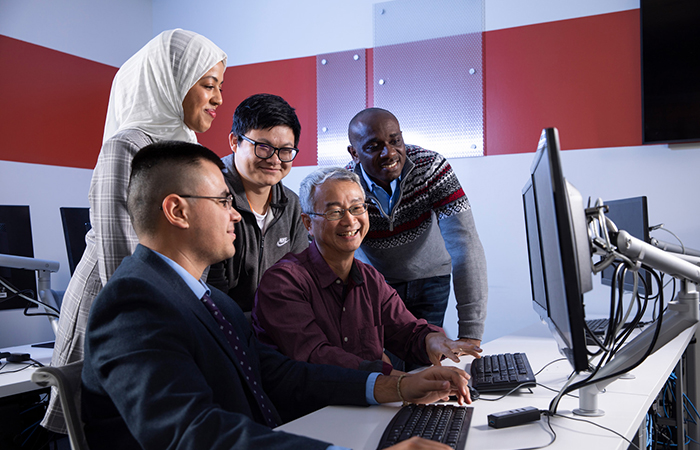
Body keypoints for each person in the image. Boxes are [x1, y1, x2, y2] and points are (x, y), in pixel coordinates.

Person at [82, 140, 471, 450]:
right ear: (177, 211)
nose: (235, 214)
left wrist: (398, 387)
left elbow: (283, 376)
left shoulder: (213, 303)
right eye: (222, 202)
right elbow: (191, 433)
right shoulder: (134, 304)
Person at [43, 29, 227, 433]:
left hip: (164, 318)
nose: (218, 99)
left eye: (220, 87)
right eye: (208, 85)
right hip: (115, 315)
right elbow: (121, 268)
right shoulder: (127, 146)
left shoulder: (188, 150)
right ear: (169, 81)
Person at [253, 167, 481, 376]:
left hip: (368, 406)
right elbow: (316, 357)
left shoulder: (370, 279)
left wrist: (435, 342)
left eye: (357, 208)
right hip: (312, 414)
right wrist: (398, 381)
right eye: (334, 212)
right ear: (307, 223)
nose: (350, 220)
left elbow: (408, 332)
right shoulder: (283, 283)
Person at [346, 108, 488, 353]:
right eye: (373, 146)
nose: (389, 153)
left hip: (431, 278)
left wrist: (471, 333)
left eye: (395, 141)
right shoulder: (346, 184)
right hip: (380, 284)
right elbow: (337, 252)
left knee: (426, 362)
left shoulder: (431, 168)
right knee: (389, 368)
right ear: (354, 153)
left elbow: (464, 244)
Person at [207, 93, 308, 312]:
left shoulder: (292, 204)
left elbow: (299, 281)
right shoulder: (209, 197)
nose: (274, 160)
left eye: (286, 151)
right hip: (223, 331)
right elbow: (210, 295)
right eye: (263, 147)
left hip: (277, 330)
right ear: (235, 141)